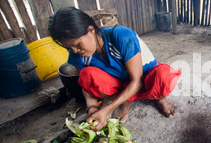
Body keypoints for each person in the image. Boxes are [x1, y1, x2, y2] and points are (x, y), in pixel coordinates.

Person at [48, 7, 181, 131]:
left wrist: (107, 109)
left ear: (90, 30)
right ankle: (125, 102)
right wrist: (92, 109)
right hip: (121, 84)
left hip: (144, 80)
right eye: (68, 47)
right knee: (86, 75)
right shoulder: (77, 55)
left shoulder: (121, 36)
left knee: (164, 75)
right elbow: (86, 86)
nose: (75, 50)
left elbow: (137, 81)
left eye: (77, 44)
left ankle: (160, 99)